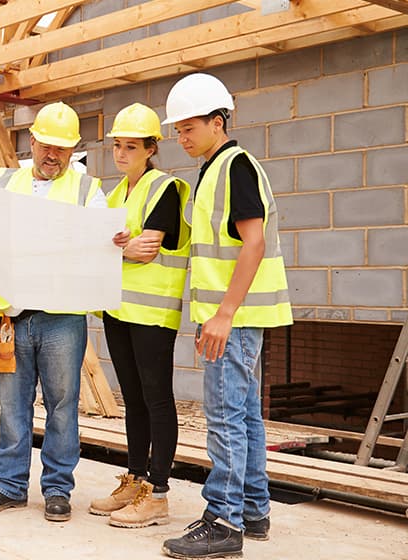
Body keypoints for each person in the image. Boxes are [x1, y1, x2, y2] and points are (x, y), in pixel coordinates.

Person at [0, 102, 106, 522]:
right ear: (32, 142)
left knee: (62, 404)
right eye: (47, 146)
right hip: (10, 316)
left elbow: (103, 240)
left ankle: (57, 490)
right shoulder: (4, 181)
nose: (53, 156)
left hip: (62, 317)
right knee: (12, 406)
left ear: (73, 151)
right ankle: (10, 485)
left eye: (63, 150)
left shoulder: (88, 191)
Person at [159, 74, 292, 558]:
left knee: (225, 418)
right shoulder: (214, 169)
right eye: (177, 130)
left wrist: (224, 314)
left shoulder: (234, 166)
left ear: (218, 122)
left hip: (232, 318)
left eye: (189, 127)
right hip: (232, 316)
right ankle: (253, 511)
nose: (182, 137)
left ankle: (223, 521)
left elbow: (252, 242)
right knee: (243, 416)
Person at [88, 103, 191, 528]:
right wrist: (116, 247)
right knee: (132, 400)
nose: (122, 153)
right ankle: (135, 479)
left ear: (151, 149)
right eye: (117, 145)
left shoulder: (165, 188)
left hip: (152, 314)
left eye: (132, 146)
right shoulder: (115, 194)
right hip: (118, 309)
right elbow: (104, 247)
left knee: (157, 399)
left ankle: (159, 494)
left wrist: (114, 247)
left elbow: (147, 249)